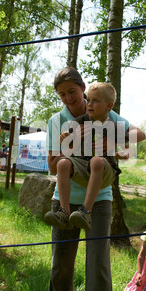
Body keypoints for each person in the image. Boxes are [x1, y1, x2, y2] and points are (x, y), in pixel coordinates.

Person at [46, 67, 146, 291]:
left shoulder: (106, 112)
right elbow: (53, 167)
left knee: (98, 265)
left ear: (83, 88)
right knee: (60, 266)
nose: (68, 98)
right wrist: (70, 146)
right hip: (65, 198)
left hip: (99, 200)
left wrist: (114, 143)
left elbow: (136, 139)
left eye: (72, 91)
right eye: (62, 95)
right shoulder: (56, 121)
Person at [44, 82, 131, 230]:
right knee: (63, 164)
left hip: (104, 170)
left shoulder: (114, 127)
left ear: (109, 106)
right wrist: (66, 137)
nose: (89, 104)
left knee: (97, 161)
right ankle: (64, 212)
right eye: (89, 100)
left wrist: (120, 153)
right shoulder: (80, 121)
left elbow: (128, 150)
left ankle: (85, 211)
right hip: (83, 166)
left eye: (95, 101)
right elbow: (69, 142)